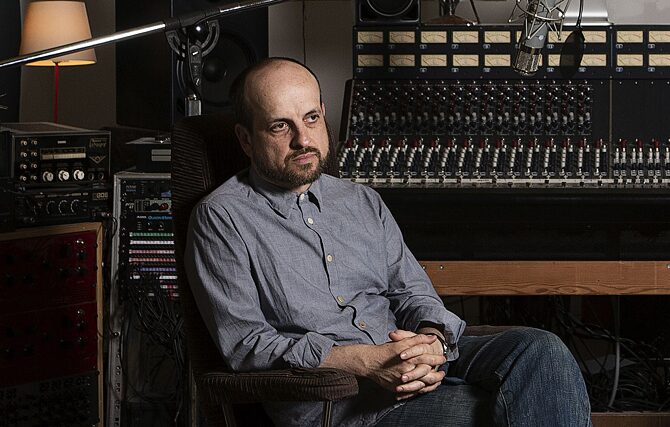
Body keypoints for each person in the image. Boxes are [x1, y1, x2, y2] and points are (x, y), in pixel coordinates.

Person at [185, 57, 592, 426]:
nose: (303, 140)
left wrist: (431, 342)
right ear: (245, 139)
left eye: (311, 119)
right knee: (503, 410)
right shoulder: (221, 218)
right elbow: (247, 345)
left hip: (408, 360)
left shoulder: (362, 201)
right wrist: (365, 361)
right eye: (280, 126)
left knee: (541, 352)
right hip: (344, 404)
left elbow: (412, 292)